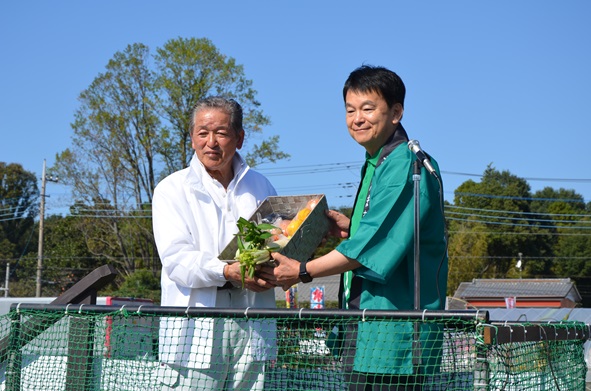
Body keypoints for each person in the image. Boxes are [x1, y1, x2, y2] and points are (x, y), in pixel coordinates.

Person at [259, 65, 448, 390]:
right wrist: (349, 227)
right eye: (350, 110)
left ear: (396, 112)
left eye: (368, 108)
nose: (357, 118)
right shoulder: (377, 160)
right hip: (364, 329)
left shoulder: (404, 164)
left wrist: (303, 270)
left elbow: (371, 246)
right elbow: (378, 232)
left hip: (394, 337)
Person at [152, 96, 277, 390]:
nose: (212, 142)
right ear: (192, 139)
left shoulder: (261, 186)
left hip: (252, 318)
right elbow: (177, 261)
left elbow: (276, 241)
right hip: (194, 328)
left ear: (240, 138)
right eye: (203, 133)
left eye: (221, 132)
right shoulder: (172, 189)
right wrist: (227, 271)